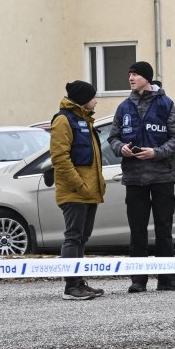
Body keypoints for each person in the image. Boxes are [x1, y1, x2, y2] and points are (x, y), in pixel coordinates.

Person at [108, 61, 175, 293]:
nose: (131, 78)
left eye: (135, 74)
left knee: (164, 228)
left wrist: (156, 152)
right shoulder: (124, 107)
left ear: (147, 78)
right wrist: (120, 147)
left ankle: (167, 279)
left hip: (162, 176)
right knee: (137, 229)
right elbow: (112, 137)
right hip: (134, 177)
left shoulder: (165, 104)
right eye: (129, 74)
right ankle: (138, 280)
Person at [51, 81, 107, 301]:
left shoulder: (84, 120)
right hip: (75, 192)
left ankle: (79, 281)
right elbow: (60, 158)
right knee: (73, 237)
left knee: (82, 237)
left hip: (89, 192)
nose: (96, 101)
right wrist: (80, 186)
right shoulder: (64, 120)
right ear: (83, 99)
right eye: (93, 97)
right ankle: (71, 286)